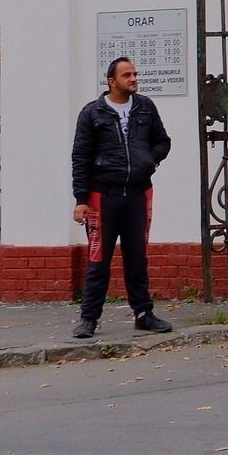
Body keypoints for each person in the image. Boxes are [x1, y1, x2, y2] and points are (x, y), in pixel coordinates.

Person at [70, 57, 173, 338]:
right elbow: (80, 157)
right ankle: (89, 318)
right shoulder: (93, 113)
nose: (133, 78)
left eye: (135, 74)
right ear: (111, 81)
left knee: (137, 257)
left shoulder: (145, 107)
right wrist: (81, 199)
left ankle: (143, 313)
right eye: (127, 74)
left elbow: (163, 141)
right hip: (102, 197)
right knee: (98, 258)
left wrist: (147, 160)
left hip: (138, 195)